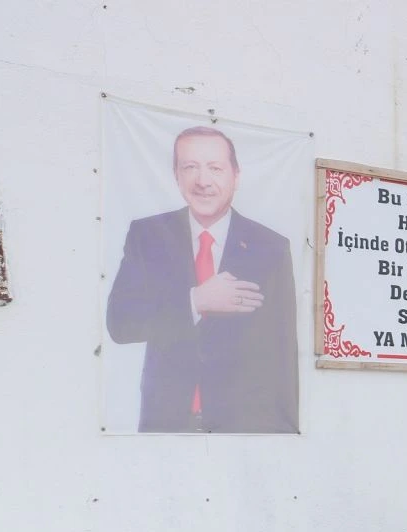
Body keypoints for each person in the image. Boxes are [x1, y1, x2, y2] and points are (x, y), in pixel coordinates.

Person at [106, 125, 298, 433]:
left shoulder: (271, 247)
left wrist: (286, 432)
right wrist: (196, 300)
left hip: (245, 431)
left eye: (215, 168)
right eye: (190, 167)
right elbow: (121, 324)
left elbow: (282, 352)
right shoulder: (148, 236)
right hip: (166, 427)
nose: (203, 181)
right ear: (176, 175)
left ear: (235, 175)